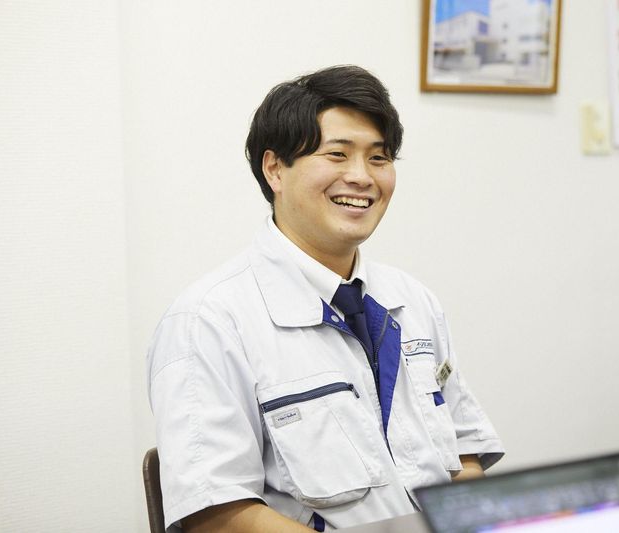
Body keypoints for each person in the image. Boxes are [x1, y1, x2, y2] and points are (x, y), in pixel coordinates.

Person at [147, 65, 504, 532]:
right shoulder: (207, 322)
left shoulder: (413, 300)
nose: (362, 177)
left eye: (379, 158)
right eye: (337, 154)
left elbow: (465, 454)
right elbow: (217, 516)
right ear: (275, 169)